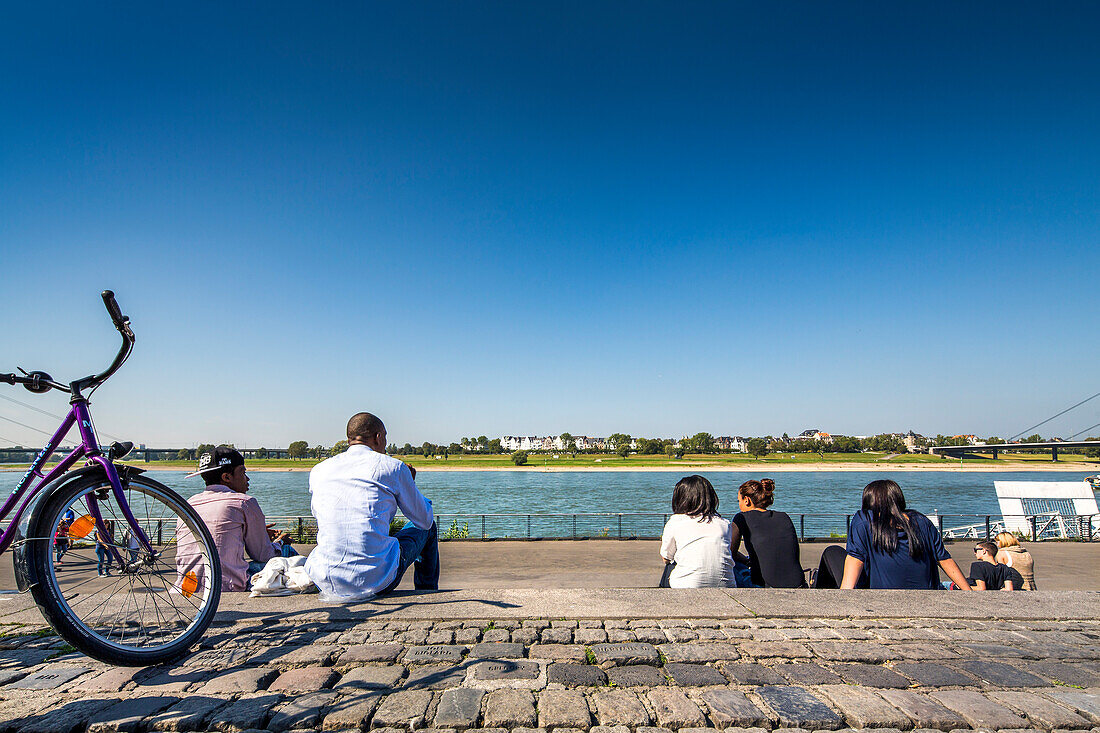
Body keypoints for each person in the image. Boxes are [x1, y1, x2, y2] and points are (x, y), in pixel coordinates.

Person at [305, 412, 439, 601]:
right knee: (429, 525)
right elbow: (423, 520)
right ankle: (427, 592)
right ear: (378, 437)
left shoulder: (319, 470)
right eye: (385, 437)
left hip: (325, 579)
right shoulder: (393, 467)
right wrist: (410, 484)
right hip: (375, 580)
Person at [176, 446, 295, 592]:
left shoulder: (189, 504)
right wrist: (279, 542)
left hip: (187, 586)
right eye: (243, 472)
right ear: (226, 477)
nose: (247, 478)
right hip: (225, 584)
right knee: (287, 551)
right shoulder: (244, 502)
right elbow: (263, 555)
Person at [818, 479, 971, 590]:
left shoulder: (864, 519)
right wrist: (968, 593)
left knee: (832, 552)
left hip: (877, 596)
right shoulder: (921, 521)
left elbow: (855, 558)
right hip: (926, 595)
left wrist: (844, 598)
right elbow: (943, 558)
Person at [659, 475, 735, 588]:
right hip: (726, 584)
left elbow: (666, 557)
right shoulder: (724, 523)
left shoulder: (676, 521)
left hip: (687, 585)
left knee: (670, 565)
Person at [731, 478, 806, 588]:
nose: (739, 505)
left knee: (735, 566)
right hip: (798, 584)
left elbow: (729, 553)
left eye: (739, 501)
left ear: (746, 500)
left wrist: (746, 561)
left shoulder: (741, 517)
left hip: (765, 587)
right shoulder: (783, 516)